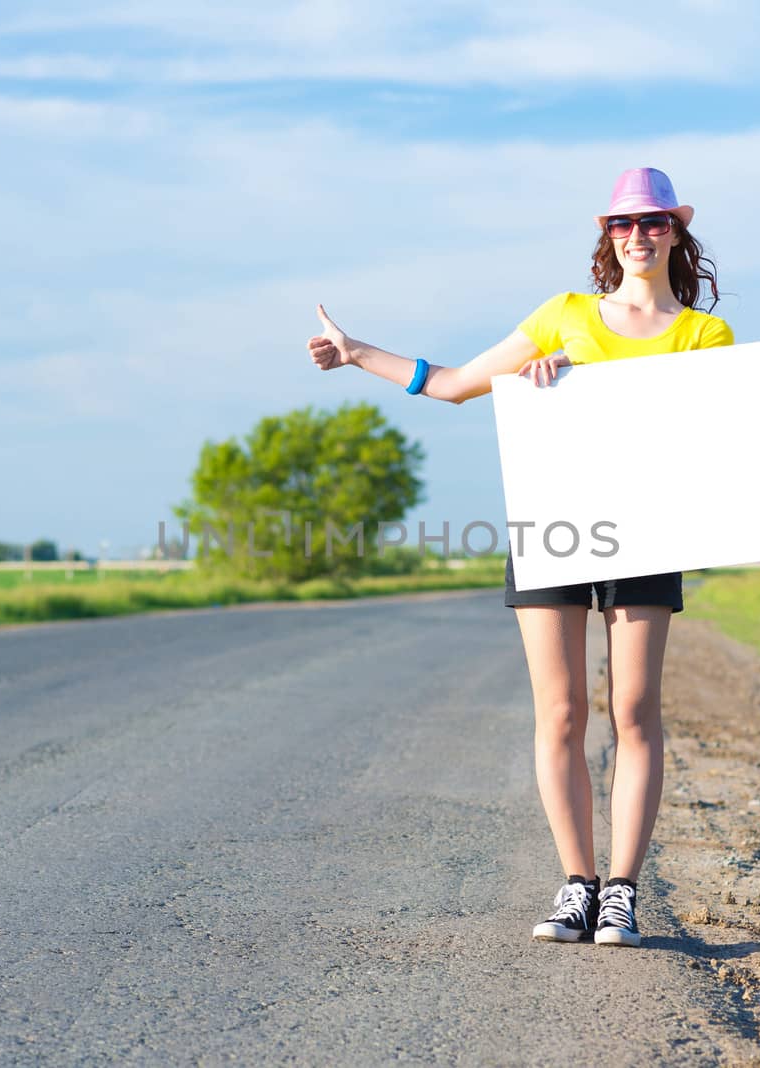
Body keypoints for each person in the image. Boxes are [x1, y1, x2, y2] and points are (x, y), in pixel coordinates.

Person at [307, 167, 733, 946]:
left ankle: (624, 893)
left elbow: (711, 434)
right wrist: (358, 350)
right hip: (556, 520)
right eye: (622, 224)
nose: (638, 235)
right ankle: (578, 884)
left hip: (647, 527)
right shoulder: (562, 315)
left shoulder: (705, 334)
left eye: (653, 223)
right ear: (607, 236)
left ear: (677, 231)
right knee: (562, 711)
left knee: (634, 712)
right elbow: (462, 383)